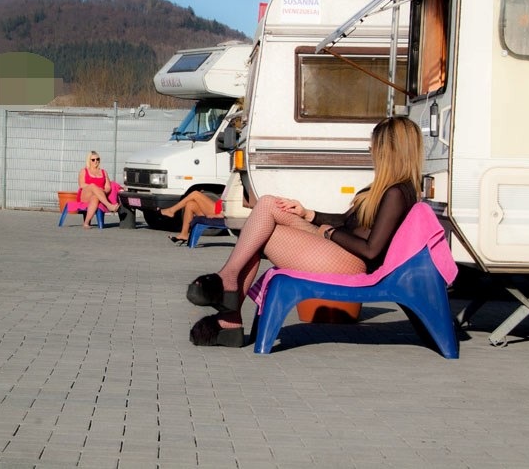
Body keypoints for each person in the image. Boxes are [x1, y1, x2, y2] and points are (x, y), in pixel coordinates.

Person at [185, 116, 423, 347]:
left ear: (389, 151)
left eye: (374, 146)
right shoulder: (386, 189)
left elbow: (371, 250)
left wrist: (330, 233)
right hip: (341, 251)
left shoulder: (395, 194)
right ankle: (229, 296)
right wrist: (309, 214)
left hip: (353, 261)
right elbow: (346, 221)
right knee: (267, 204)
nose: (370, 151)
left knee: (262, 234)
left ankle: (229, 304)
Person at [159, 191, 223, 244]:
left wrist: (221, 215)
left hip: (220, 211)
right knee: (190, 204)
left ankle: (171, 211)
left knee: (195, 194)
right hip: (219, 207)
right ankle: (184, 234)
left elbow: (229, 206)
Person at [78, 150, 119, 228]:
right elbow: (82, 185)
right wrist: (96, 188)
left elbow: (108, 187)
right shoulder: (84, 171)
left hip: (99, 195)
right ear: (89, 161)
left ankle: (86, 223)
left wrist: (102, 191)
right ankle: (109, 205)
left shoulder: (103, 172)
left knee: (95, 197)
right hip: (86, 194)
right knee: (93, 186)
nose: (96, 161)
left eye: (97, 159)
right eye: (93, 160)